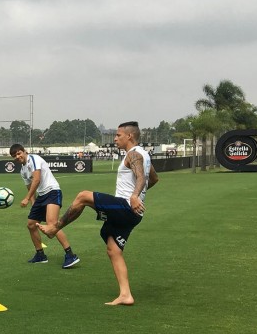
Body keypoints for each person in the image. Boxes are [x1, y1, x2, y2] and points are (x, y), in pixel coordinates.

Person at [40, 122, 159, 306]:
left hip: (126, 207)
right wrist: (140, 196)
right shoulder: (145, 155)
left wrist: (135, 196)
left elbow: (142, 178)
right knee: (113, 249)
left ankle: (54, 229)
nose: (115, 138)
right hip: (133, 213)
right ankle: (125, 295)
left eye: (118, 135)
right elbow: (154, 178)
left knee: (83, 197)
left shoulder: (134, 154)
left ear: (130, 136)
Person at [10, 143, 80, 268]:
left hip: (52, 191)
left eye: (19, 153)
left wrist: (26, 199)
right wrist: (33, 203)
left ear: (24, 151)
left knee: (52, 225)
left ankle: (70, 255)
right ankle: (40, 255)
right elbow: (29, 187)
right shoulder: (23, 170)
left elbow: (36, 180)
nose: (17, 157)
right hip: (42, 196)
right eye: (14, 156)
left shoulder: (34, 159)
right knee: (31, 225)